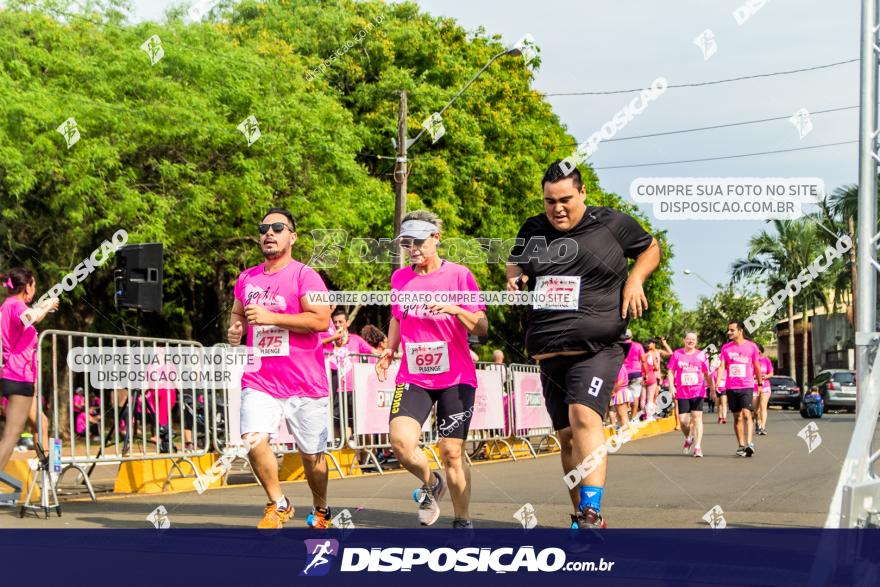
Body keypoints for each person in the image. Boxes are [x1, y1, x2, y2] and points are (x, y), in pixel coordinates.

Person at [506, 161, 660, 529]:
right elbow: (515, 263)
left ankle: (592, 511)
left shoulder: (610, 223)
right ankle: (581, 517)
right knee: (566, 438)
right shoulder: (533, 229)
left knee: (583, 417)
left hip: (597, 348)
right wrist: (515, 279)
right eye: (549, 201)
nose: (557, 208)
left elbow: (651, 248)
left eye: (565, 199)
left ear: (583, 193)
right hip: (548, 352)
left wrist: (635, 279)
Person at [375, 210, 488, 528]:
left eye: (419, 242)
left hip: (455, 378)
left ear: (436, 238)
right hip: (414, 376)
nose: (413, 249)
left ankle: (462, 520)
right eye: (407, 243)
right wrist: (390, 349)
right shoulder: (400, 278)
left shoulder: (460, 276)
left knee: (452, 451)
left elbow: (481, 327)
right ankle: (431, 482)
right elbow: (398, 316)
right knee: (400, 442)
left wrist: (454, 308)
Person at [226, 207, 333, 529]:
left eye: (277, 227)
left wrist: (274, 318)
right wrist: (235, 329)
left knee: (312, 456)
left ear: (292, 236)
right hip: (260, 378)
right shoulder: (247, 278)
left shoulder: (306, 275)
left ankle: (322, 508)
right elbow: (238, 314)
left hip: (305, 382)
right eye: (264, 228)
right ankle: (278, 502)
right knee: (253, 438)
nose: (269, 233)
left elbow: (320, 319)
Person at [0, 268, 58, 481]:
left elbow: (30, 318)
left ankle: (48, 474)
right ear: (27, 286)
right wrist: (46, 306)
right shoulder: (15, 305)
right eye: (34, 285)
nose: (35, 289)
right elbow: (30, 318)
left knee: (41, 423)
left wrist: (43, 307)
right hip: (18, 375)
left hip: (20, 375)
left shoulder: (9, 306)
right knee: (11, 435)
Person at [717, 321, 762, 457]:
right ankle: (741, 445)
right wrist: (718, 381)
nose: (729, 333)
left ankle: (749, 444)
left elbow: (756, 366)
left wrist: (759, 383)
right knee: (737, 416)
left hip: (747, 385)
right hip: (731, 386)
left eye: (732, 330)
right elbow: (722, 366)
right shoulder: (726, 348)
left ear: (740, 331)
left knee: (747, 414)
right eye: (728, 330)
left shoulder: (751, 347)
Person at [667, 332, 715, 458]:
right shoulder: (677, 354)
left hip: (698, 390)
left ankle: (698, 447)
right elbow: (671, 371)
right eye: (689, 339)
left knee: (697, 417)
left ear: (696, 341)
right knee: (683, 421)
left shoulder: (701, 355)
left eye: (693, 339)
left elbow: (707, 374)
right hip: (682, 392)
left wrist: (712, 389)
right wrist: (671, 386)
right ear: (684, 340)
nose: (691, 341)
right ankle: (689, 437)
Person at [622, 330, 645, 419]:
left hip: (623, 373)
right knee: (635, 396)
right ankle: (633, 418)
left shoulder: (621, 346)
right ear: (631, 336)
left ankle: (624, 418)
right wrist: (645, 374)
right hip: (636, 373)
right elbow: (643, 361)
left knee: (624, 396)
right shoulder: (638, 345)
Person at [754, 344, 773, 435]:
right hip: (754, 386)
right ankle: (757, 423)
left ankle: (762, 427)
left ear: (760, 351)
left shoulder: (766, 360)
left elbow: (771, 373)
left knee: (763, 407)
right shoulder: (751, 361)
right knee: (755, 410)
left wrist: (765, 376)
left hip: (765, 386)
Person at [642, 339, 662, 420]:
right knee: (650, 398)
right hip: (651, 376)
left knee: (643, 399)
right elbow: (657, 368)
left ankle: (643, 415)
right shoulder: (652, 355)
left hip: (642, 377)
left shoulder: (642, 355)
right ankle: (649, 416)